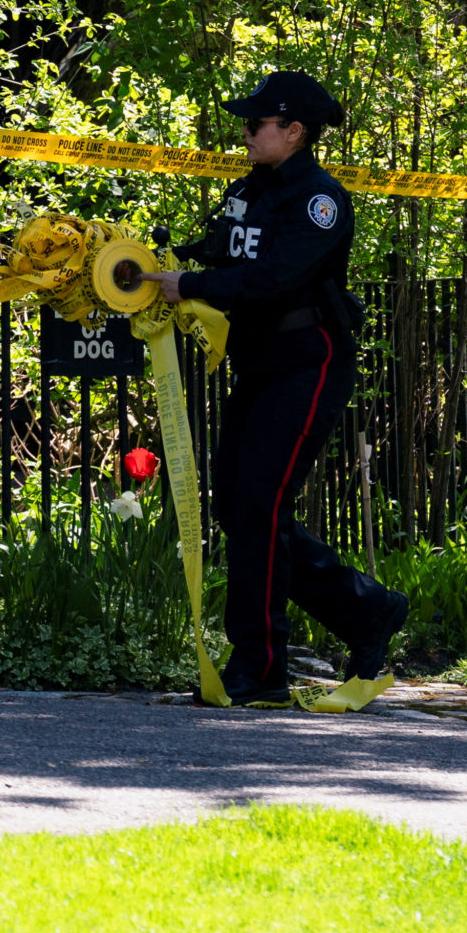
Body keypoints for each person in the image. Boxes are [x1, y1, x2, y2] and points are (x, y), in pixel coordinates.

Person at [148, 71, 410, 706]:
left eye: (256, 123)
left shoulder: (319, 201)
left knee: (260, 504)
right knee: (238, 507)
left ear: (293, 132)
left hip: (309, 360)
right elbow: (216, 249)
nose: (245, 130)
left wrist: (192, 285)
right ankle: (366, 608)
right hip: (261, 360)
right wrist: (147, 261)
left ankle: (260, 667)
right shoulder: (250, 190)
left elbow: (269, 278)